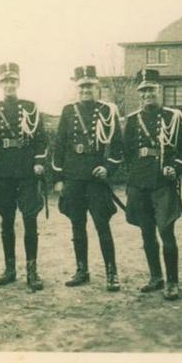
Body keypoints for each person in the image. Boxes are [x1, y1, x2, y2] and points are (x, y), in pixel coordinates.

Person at [51, 65, 123, 291]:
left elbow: (117, 146)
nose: (85, 90)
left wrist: (108, 168)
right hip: (73, 177)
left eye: (90, 86)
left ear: (97, 87)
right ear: (77, 88)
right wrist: (58, 177)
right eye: (82, 86)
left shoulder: (107, 110)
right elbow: (59, 145)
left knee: (102, 225)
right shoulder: (68, 111)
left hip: (95, 177)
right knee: (77, 225)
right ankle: (82, 270)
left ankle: (111, 272)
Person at [123, 68, 182, 300]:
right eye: (143, 91)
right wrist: (134, 174)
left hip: (163, 182)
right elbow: (127, 152)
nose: (147, 94)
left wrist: (176, 168)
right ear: (139, 94)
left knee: (166, 231)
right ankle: (155, 277)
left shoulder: (173, 117)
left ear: (159, 90)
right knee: (146, 233)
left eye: (151, 89)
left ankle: (172, 281)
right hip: (139, 183)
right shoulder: (132, 120)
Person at [0, 62, 48, 292]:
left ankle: (32, 271)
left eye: (13, 81)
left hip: (26, 170)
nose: (9, 85)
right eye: (5, 81)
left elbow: (41, 138)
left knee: (30, 220)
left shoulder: (30, 107)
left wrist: (38, 162)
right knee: (6, 221)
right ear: (0, 84)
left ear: (18, 82)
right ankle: (10, 270)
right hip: (4, 172)